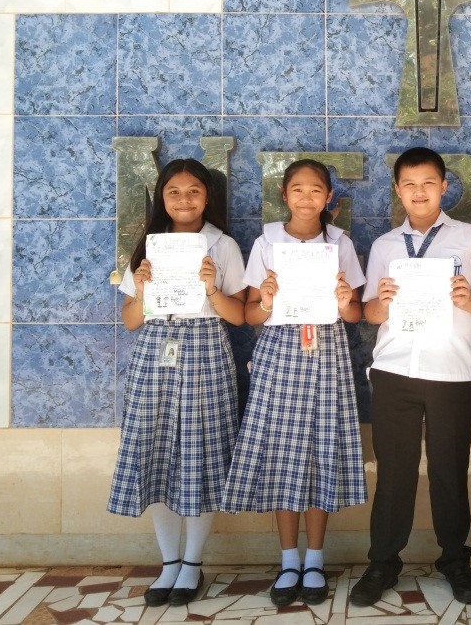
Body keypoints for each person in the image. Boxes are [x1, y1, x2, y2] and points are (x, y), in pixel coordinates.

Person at [349, 147, 471, 607]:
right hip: (394, 370)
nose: (419, 192)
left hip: (451, 371)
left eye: (428, 183)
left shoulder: (468, 238)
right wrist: (384, 302)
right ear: (397, 190)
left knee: (449, 471)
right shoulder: (384, 246)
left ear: (444, 186)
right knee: (394, 473)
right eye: (409, 184)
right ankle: (383, 563)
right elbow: (368, 313)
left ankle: (455, 560)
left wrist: (466, 298)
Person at [221, 159, 367, 607]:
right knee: (283, 454)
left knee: (322, 451)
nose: (307, 198)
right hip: (280, 350)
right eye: (298, 189)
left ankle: (316, 560)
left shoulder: (340, 243)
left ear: (329, 199)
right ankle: (288, 560)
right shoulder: (267, 242)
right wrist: (265, 299)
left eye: (316, 190)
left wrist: (345, 300)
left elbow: (356, 314)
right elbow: (249, 315)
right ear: (284, 195)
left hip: (327, 351)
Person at [108, 158, 246, 607]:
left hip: (206, 348)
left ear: (208, 197)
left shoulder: (221, 245)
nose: (184, 200)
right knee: (159, 453)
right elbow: (130, 321)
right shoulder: (150, 246)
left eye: (194, 191)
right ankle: (168, 563)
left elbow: (239, 316)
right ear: (161, 198)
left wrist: (211, 289)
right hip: (155, 350)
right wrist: (144, 293)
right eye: (174, 192)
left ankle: (192, 563)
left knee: (200, 454)